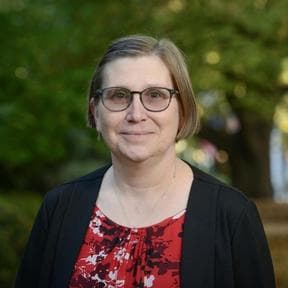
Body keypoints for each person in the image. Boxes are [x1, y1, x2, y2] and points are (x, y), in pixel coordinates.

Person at [15, 35, 275, 288]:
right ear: (95, 112)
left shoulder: (232, 215)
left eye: (155, 95)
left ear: (182, 110)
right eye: (118, 95)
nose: (136, 114)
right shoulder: (59, 208)